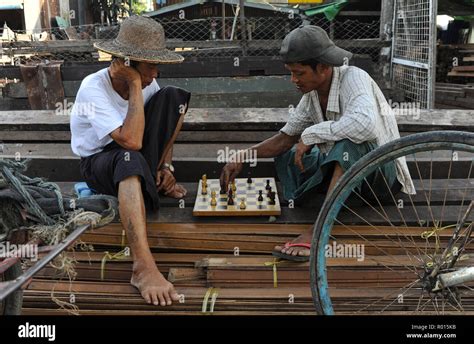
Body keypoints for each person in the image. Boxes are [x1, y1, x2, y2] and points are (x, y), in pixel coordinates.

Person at [220, 25, 415, 261]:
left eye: (299, 73)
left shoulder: (354, 78)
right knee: (288, 155)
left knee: (347, 146)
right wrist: (243, 155)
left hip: (382, 179)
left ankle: (320, 229)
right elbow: (285, 138)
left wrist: (312, 134)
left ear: (323, 67)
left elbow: (366, 126)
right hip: (351, 175)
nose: (293, 80)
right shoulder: (311, 95)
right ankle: (335, 196)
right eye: (291, 72)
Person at [70, 16, 191, 305]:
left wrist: (165, 166)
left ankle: (153, 179)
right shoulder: (93, 88)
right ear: (126, 63)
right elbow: (132, 142)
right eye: (149, 66)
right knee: (128, 158)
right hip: (99, 162)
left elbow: (163, 122)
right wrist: (136, 84)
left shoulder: (150, 81)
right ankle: (142, 267)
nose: (154, 72)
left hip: (133, 155)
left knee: (174, 97)